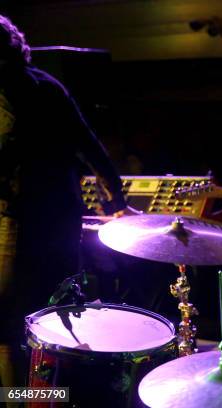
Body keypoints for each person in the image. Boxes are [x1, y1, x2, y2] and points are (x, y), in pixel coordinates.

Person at [0, 15, 129, 389]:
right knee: (54, 317)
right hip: (60, 223)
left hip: (17, 222)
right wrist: (116, 200)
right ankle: (54, 396)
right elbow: (92, 148)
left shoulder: (5, 92)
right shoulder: (50, 86)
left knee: (8, 323)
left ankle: (17, 399)